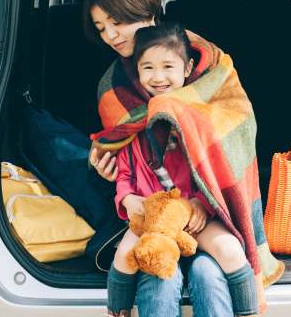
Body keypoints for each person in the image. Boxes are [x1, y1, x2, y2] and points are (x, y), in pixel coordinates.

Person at [83, 0, 238, 317]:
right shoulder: (113, 84)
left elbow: (233, 131)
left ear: (144, 9)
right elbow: (114, 140)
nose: (110, 36)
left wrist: (203, 202)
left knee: (208, 272)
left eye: (116, 22)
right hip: (150, 214)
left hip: (208, 208)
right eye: (101, 28)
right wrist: (103, 162)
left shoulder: (203, 60)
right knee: (158, 277)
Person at [107, 23, 259, 317]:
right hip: (153, 218)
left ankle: (249, 311)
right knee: (124, 255)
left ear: (188, 68)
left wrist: (201, 205)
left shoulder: (201, 117)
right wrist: (127, 199)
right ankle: (117, 310)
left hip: (194, 217)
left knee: (229, 251)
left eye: (168, 66)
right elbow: (124, 174)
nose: (158, 76)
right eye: (148, 67)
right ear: (136, 71)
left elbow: (219, 172)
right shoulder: (132, 120)